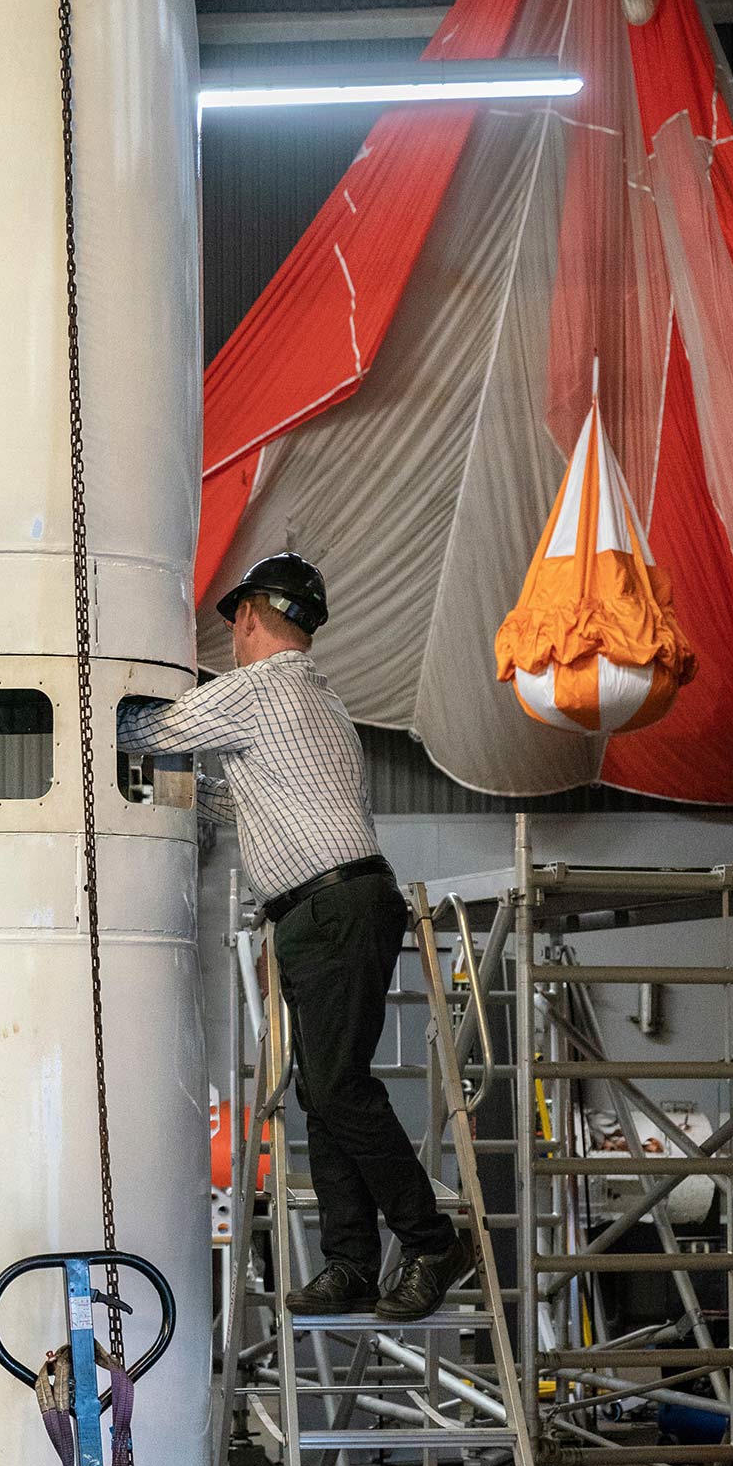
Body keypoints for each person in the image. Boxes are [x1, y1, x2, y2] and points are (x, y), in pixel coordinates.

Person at [117, 553, 468, 1321]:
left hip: (331, 908)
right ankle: (349, 1261)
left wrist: (92, 700)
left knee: (338, 1085)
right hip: (342, 903)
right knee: (324, 1086)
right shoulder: (322, 704)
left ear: (246, 617)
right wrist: (177, 797)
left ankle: (433, 1240)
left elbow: (150, 726)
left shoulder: (256, 690)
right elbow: (253, 805)